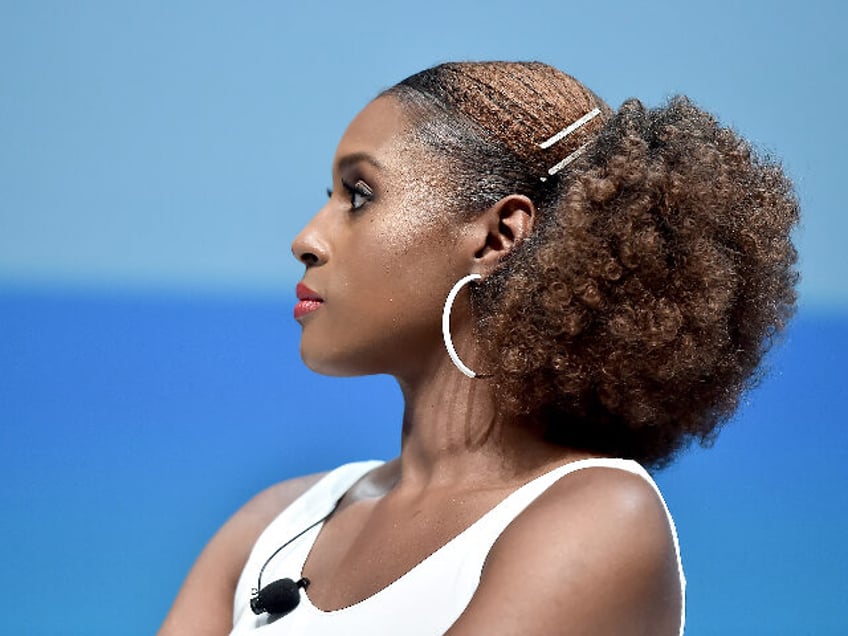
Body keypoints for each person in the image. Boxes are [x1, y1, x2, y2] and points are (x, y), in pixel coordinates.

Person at [159, 61, 799, 635]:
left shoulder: (597, 518)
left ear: (498, 237)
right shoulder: (271, 525)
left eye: (359, 195)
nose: (306, 239)